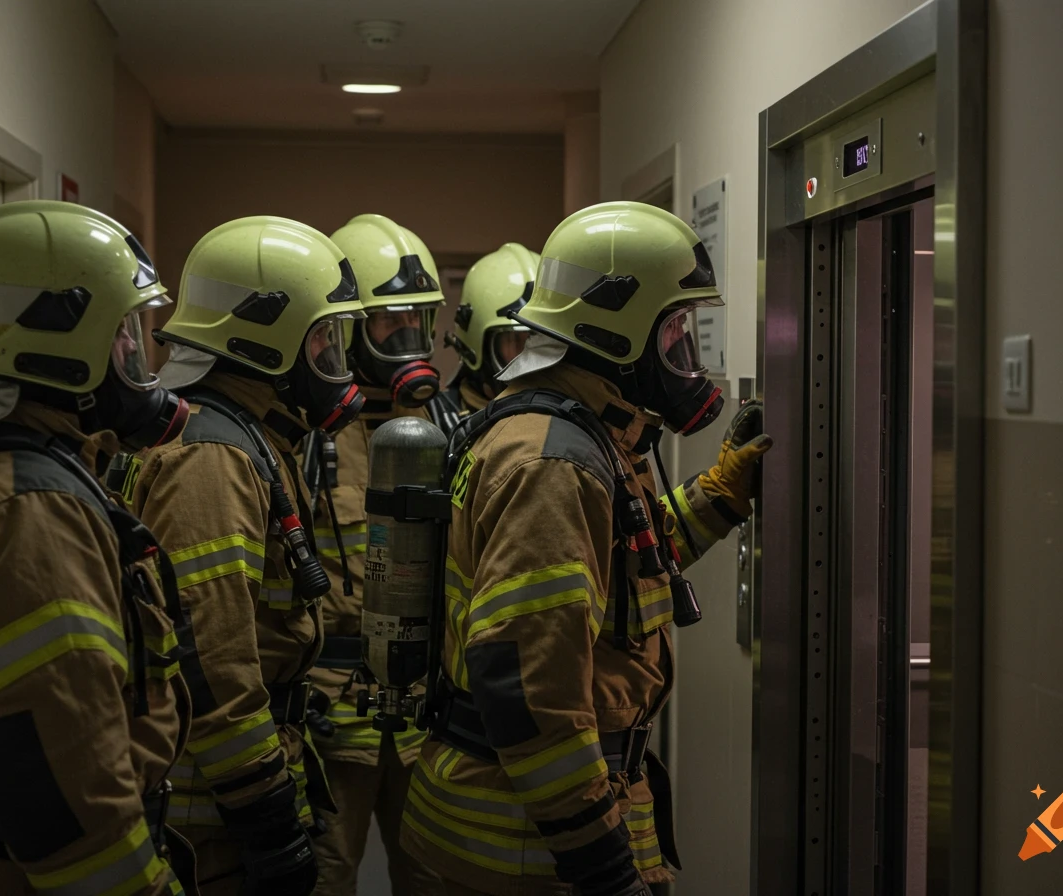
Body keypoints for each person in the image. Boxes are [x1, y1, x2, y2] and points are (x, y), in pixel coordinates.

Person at [400, 201, 772, 896]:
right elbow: (528, 689)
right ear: (616, 332)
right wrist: (602, 867)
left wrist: (720, 493)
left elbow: (619, 567)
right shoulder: (553, 462)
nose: (686, 359)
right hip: (518, 848)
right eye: (675, 335)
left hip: (538, 831)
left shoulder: (585, 432)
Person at [0, 200, 193, 895]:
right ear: (59, 341)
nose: (135, 359)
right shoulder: (27, 510)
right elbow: (66, 779)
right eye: (122, 335)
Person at [121, 216, 368, 895]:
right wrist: (265, 816)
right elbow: (213, 661)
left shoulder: (244, 438)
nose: (333, 360)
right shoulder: (213, 459)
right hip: (214, 814)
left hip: (232, 784)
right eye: (322, 339)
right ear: (264, 339)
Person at [304, 214, 447, 895]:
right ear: (347, 330)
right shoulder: (307, 436)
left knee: (430, 875)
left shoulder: (436, 432)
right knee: (324, 877)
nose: (409, 340)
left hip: (421, 716)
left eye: (418, 322)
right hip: (330, 715)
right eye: (391, 322)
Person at [440, 242, 538, 416]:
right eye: (516, 341)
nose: (535, 363)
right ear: (477, 349)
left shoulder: (580, 422)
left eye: (543, 343)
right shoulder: (435, 423)